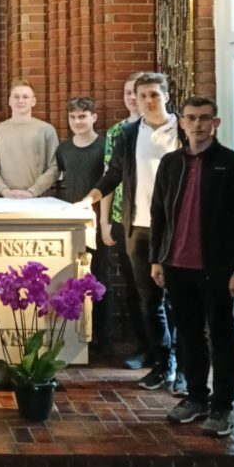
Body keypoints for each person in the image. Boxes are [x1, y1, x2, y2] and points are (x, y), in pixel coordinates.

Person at [150, 96, 234, 437]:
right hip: (177, 264)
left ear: (216, 123)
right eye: (191, 118)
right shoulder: (170, 163)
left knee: (221, 335)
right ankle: (196, 397)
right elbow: (158, 214)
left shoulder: (233, 164)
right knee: (189, 334)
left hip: (217, 267)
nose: (197, 124)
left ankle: (222, 406)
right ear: (181, 122)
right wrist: (157, 258)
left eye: (204, 118)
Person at [82, 72, 180, 391]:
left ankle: (183, 367)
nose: (148, 101)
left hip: (177, 228)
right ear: (136, 99)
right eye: (143, 96)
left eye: (154, 94)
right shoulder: (128, 133)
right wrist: (88, 199)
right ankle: (162, 364)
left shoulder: (182, 130)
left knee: (180, 300)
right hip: (138, 226)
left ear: (166, 96)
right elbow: (114, 174)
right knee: (149, 300)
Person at [56, 97, 112, 356]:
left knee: (100, 278)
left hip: (97, 222)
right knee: (73, 277)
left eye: (82, 116)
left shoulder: (104, 146)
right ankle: (77, 337)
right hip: (71, 223)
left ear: (93, 117)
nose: (77, 122)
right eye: (73, 117)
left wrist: (104, 221)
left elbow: (110, 183)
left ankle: (103, 339)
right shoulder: (64, 149)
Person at [100, 73, 149, 369]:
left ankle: (168, 354)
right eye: (128, 92)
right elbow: (109, 177)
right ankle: (143, 347)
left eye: (137, 93)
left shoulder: (167, 129)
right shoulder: (117, 131)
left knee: (162, 291)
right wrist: (104, 221)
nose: (132, 98)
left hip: (156, 220)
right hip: (123, 218)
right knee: (132, 288)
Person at [0, 80, 59, 198]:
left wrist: (33, 191)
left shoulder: (47, 130)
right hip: (6, 199)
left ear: (33, 101)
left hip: (39, 198)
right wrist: (4, 191)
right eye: (16, 97)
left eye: (25, 97)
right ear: (9, 101)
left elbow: (55, 166)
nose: (20, 100)